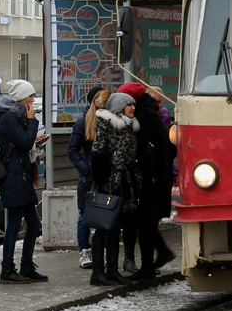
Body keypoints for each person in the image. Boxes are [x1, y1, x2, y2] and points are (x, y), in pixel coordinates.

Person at [0, 79, 49, 284]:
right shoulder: (10, 118)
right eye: (31, 96)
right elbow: (24, 141)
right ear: (20, 98)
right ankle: (7, 269)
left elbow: (22, 142)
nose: (33, 100)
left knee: (34, 224)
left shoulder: (16, 116)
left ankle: (26, 265)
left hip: (21, 175)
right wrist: (33, 122)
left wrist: (35, 138)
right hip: (14, 177)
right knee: (14, 225)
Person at [118, 81, 175, 279]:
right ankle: (154, 260)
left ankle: (149, 266)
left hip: (152, 177)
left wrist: (154, 174)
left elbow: (163, 145)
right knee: (145, 221)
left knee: (145, 220)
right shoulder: (145, 112)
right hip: (148, 175)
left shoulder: (147, 115)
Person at [89, 92, 141, 286]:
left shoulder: (129, 127)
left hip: (124, 183)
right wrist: (103, 181)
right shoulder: (107, 125)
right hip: (109, 183)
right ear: (119, 108)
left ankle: (112, 270)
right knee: (103, 227)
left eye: (133, 104)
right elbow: (97, 154)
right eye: (129, 105)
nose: (133, 108)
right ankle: (97, 273)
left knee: (115, 228)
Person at [67, 86, 109, 270]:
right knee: (85, 215)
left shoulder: (110, 120)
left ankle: (101, 251)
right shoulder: (83, 122)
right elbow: (73, 150)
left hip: (106, 176)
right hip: (90, 177)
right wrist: (86, 170)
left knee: (105, 214)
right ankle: (84, 251)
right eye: (100, 100)